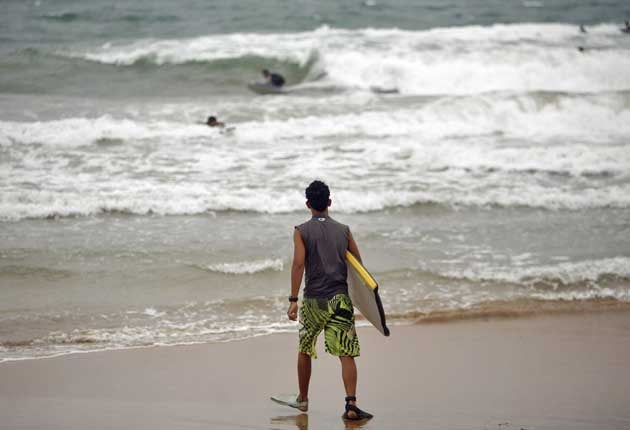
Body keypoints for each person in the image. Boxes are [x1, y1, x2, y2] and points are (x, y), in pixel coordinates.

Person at [270, 180, 373, 421]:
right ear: (329, 202)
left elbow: (298, 264)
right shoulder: (344, 230)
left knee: (305, 349)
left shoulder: (301, 230)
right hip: (340, 300)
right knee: (346, 353)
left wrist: (294, 299)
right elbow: (357, 264)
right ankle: (351, 404)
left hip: (314, 301)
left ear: (308, 204)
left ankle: (303, 399)